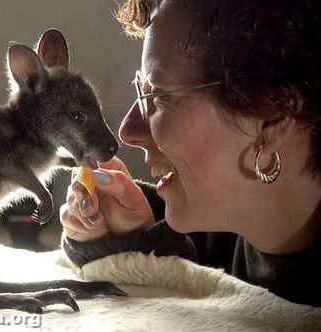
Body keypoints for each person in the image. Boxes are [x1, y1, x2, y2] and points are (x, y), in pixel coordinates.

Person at [59, 0, 321, 307]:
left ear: (272, 117)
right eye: (141, 90)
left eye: (156, 94)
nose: (127, 132)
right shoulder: (223, 228)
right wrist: (135, 241)